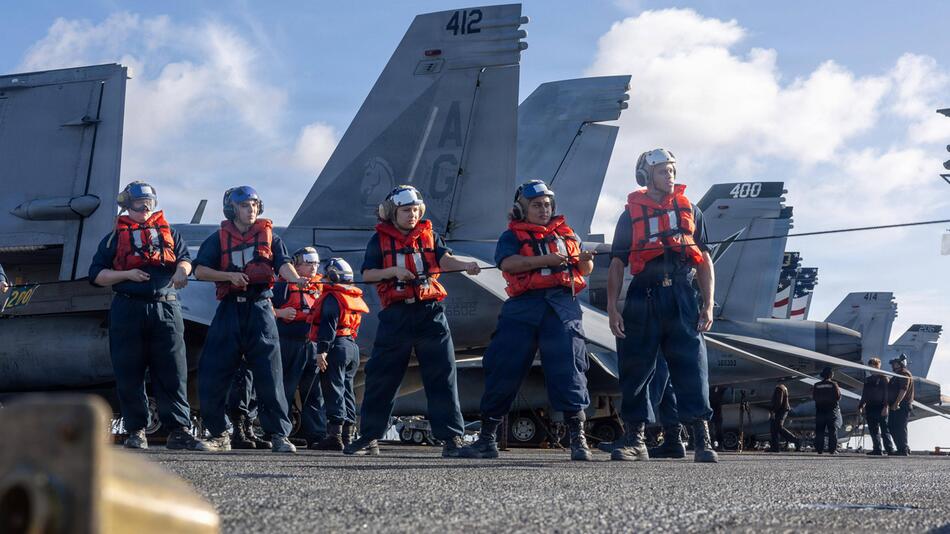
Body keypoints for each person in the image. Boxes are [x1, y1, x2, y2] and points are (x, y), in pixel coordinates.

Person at [458, 180, 594, 461]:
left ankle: (578, 440)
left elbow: (584, 269)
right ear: (522, 209)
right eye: (536, 205)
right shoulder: (511, 236)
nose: (543, 209)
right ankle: (487, 439)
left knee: (570, 369)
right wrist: (548, 261)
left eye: (546, 205)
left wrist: (583, 260)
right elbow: (508, 263)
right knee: (503, 366)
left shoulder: (569, 234)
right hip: (523, 307)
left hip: (562, 307)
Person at [344, 185, 480, 457]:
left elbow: (445, 260)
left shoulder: (430, 236)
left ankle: (452, 440)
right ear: (393, 212)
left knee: (442, 376)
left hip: (430, 313)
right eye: (406, 210)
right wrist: (393, 271)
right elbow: (368, 274)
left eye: (416, 210)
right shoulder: (379, 241)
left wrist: (465, 265)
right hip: (396, 317)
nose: (412, 215)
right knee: (382, 377)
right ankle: (369, 437)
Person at [605, 148, 718, 463]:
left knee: (692, 367)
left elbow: (705, 260)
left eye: (671, 170)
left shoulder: (692, 211)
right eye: (662, 171)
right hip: (644, 296)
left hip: (682, 294)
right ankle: (635, 439)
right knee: (635, 369)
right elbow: (617, 263)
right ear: (646, 177)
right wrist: (613, 308)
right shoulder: (630, 215)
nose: (670, 176)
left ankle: (702, 439)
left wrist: (707, 304)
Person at [88, 181, 206, 451]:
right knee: (129, 370)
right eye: (139, 204)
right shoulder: (114, 238)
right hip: (128, 307)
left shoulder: (171, 233)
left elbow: (186, 259)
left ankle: (178, 430)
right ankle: (135, 430)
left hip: (166, 307)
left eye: (148, 204)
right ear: (127, 205)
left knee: (173, 370)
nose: (144, 209)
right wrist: (126, 274)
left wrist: (181, 271)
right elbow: (97, 275)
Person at [193, 186, 310, 453]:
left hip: (260, 310)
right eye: (246, 205)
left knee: (270, 376)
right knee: (214, 374)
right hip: (230, 310)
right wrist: (228, 277)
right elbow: (200, 270)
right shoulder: (218, 239)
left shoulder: (271, 238)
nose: (252, 210)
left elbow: (282, 263)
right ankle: (219, 434)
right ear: (232, 209)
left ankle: (279, 435)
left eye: (255, 205)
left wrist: (295, 279)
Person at [308, 258, 368, 450]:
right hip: (351, 347)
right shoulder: (352, 296)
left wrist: (322, 351)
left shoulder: (333, 298)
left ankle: (335, 436)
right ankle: (349, 435)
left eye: (325, 275)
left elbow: (328, 325)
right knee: (347, 390)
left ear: (332, 276)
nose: (322, 278)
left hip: (336, 347)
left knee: (333, 390)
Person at [272, 246, 328, 448]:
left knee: (314, 392)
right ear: (296, 264)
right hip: (289, 342)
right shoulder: (283, 286)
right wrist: (280, 313)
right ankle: (281, 432)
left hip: (312, 345)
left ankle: (317, 435)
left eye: (316, 263)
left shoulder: (319, 286)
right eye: (308, 263)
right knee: (285, 389)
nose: (314, 267)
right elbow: (262, 305)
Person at [858, 357, 895, 456]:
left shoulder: (884, 379)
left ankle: (889, 449)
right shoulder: (868, 380)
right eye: (870, 366)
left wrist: (886, 406)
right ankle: (877, 449)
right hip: (870, 407)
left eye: (872, 366)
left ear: (877, 366)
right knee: (873, 430)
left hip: (881, 407)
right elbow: (864, 394)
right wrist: (861, 406)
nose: (870, 368)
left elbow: (887, 394)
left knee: (884, 430)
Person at [887, 354, 915, 456]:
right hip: (896, 405)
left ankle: (903, 449)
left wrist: (897, 403)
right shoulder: (897, 375)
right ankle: (902, 448)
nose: (892, 366)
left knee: (899, 427)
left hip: (901, 405)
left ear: (900, 364)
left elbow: (903, 389)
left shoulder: (904, 374)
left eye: (894, 364)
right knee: (893, 426)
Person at [812, 366, 842, 454]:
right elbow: (838, 397)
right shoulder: (833, 384)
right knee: (832, 431)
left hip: (820, 410)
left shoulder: (817, 385)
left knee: (820, 430)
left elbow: (814, 397)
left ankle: (819, 449)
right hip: (831, 411)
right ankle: (832, 449)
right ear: (831, 375)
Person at [768, 383, 801, 452]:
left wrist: (773, 411)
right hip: (782, 410)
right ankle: (775, 447)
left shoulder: (779, 388)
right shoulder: (783, 387)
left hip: (780, 410)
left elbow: (778, 402)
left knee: (777, 427)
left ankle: (796, 440)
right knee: (775, 428)